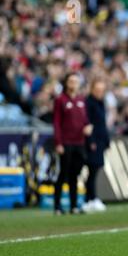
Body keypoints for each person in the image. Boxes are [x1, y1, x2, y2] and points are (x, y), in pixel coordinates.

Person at [53, 73, 93, 215]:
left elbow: (85, 119)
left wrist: (88, 126)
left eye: (76, 81)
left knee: (75, 174)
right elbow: (56, 122)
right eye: (71, 81)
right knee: (63, 173)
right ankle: (57, 206)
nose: (73, 83)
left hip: (79, 142)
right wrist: (58, 142)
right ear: (66, 82)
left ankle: (74, 205)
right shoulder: (60, 100)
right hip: (66, 142)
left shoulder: (81, 100)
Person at [83, 78, 110, 212]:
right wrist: (91, 141)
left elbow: (102, 124)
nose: (100, 92)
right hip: (93, 142)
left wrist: (106, 141)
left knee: (95, 170)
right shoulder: (89, 103)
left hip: (100, 141)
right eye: (97, 90)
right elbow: (88, 123)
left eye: (102, 90)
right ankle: (90, 199)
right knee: (92, 171)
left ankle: (91, 198)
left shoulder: (100, 103)